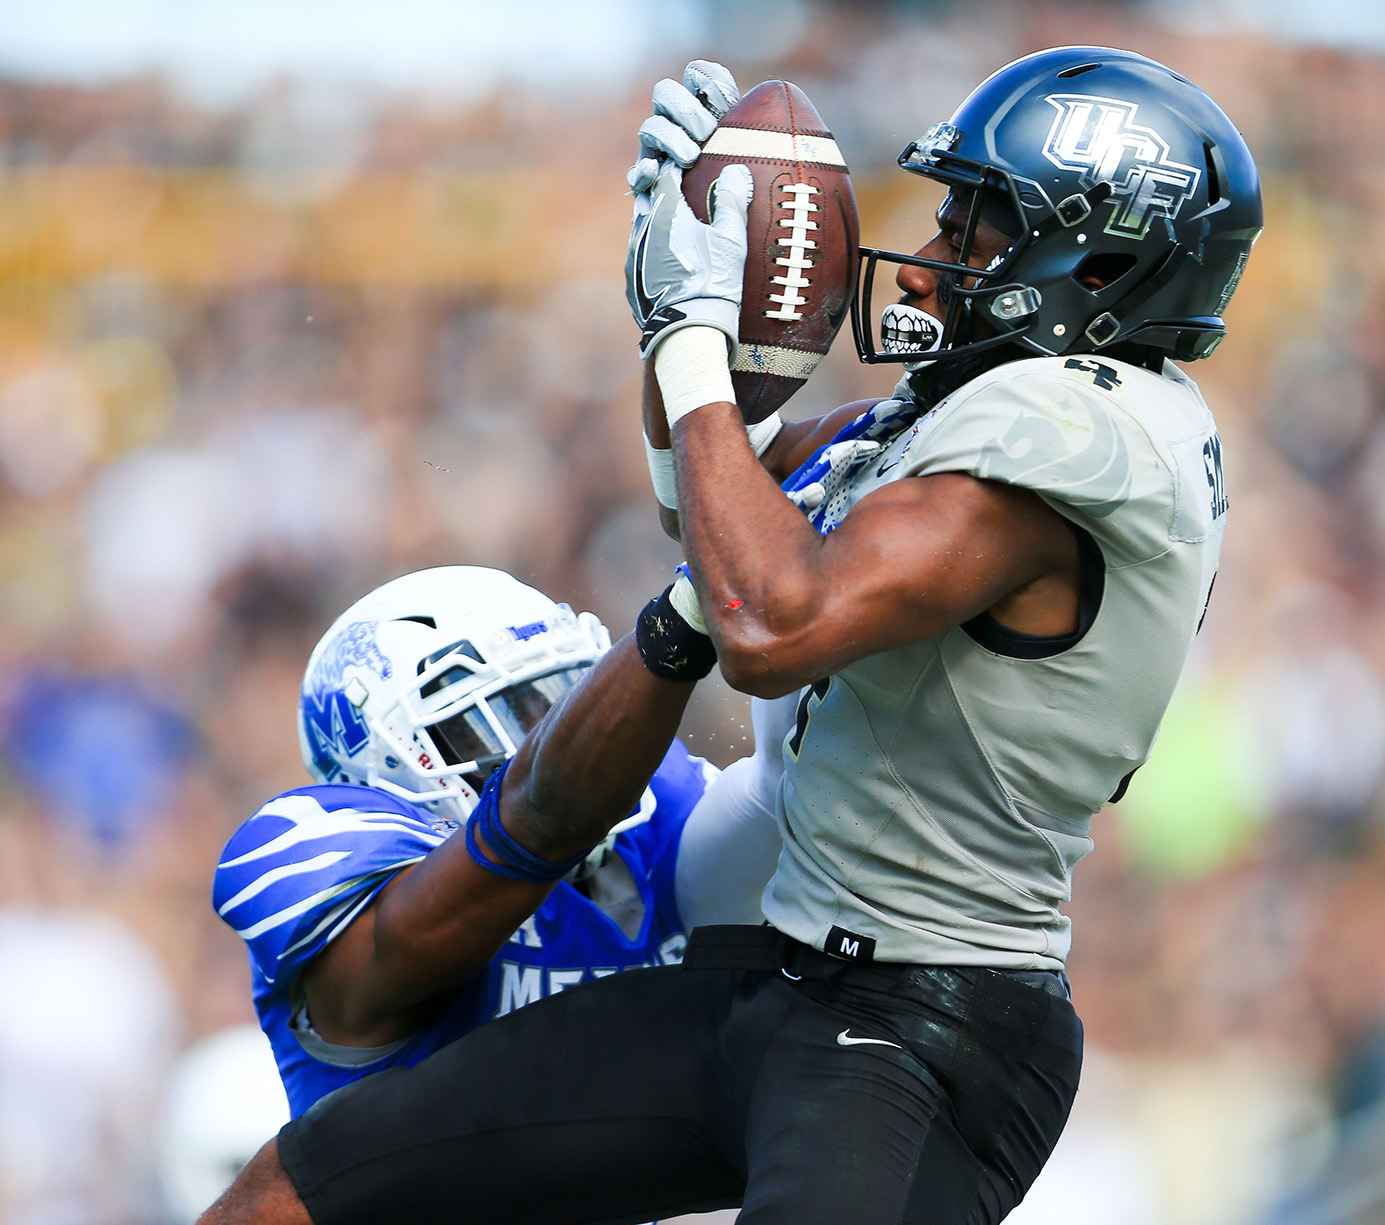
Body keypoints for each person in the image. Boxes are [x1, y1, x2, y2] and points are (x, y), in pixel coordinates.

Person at [203, 45, 1262, 1225]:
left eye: (974, 226)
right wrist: (672, 311)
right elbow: (721, 505)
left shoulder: (1080, 426)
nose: (928, 264)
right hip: (784, 976)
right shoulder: (998, 409)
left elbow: (763, 618)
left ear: (1097, 250)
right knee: (285, 1198)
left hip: (919, 1024)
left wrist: (698, 336)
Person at [213, 565, 790, 1116]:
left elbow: (784, 795)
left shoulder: (657, 809)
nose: (554, 735)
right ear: (387, 758)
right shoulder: (333, 853)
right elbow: (417, 933)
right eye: (489, 715)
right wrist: (675, 624)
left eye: (558, 699)